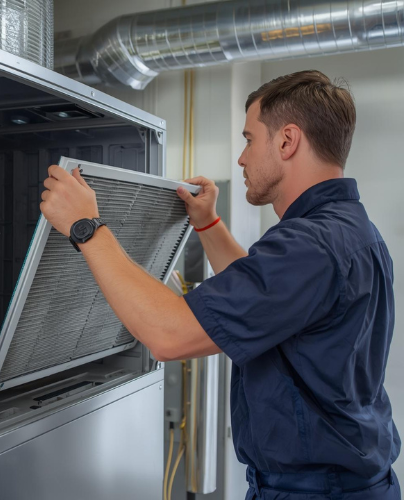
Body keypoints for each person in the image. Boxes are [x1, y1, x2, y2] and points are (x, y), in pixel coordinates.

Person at [40, 70, 401, 500]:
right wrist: (207, 223)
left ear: (287, 141)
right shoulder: (350, 231)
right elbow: (265, 299)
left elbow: (168, 336)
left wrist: (85, 226)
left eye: (249, 139)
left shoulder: (309, 245)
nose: (241, 159)